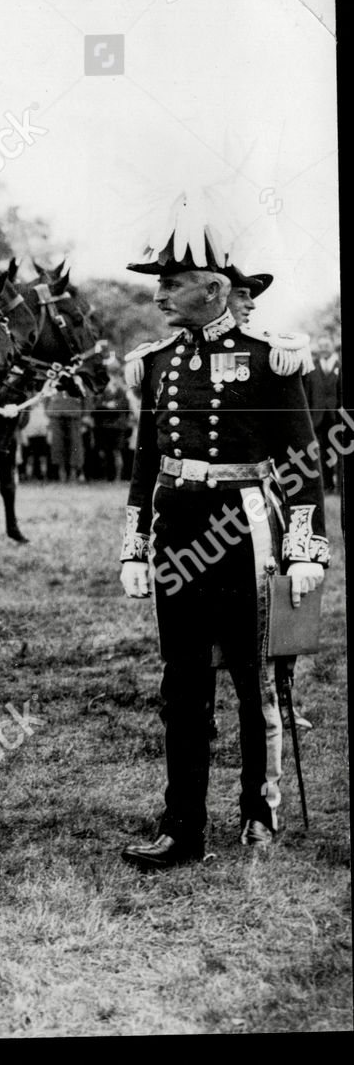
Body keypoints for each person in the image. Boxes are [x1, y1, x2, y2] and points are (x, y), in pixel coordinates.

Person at [118, 197, 326, 870]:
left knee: (254, 676)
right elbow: (145, 461)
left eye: (173, 282)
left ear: (215, 289)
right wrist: (135, 543)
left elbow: (300, 462)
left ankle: (259, 814)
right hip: (179, 527)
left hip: (246, 531)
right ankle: (182, 827)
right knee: (182, 682)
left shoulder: (272, 360)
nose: (160, 294)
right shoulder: (153, 364)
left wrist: (305, 548)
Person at [307, 336, 341, 491]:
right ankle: (326, 485)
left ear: (332, 346)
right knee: (321, 453)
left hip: (339, 418)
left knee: (341, 451)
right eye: (321, 346)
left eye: (326, 345)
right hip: (318, 418)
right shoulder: (312, 367)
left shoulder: (340, 366)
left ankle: (340, 486)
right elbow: (308, 394)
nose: (324, 349)